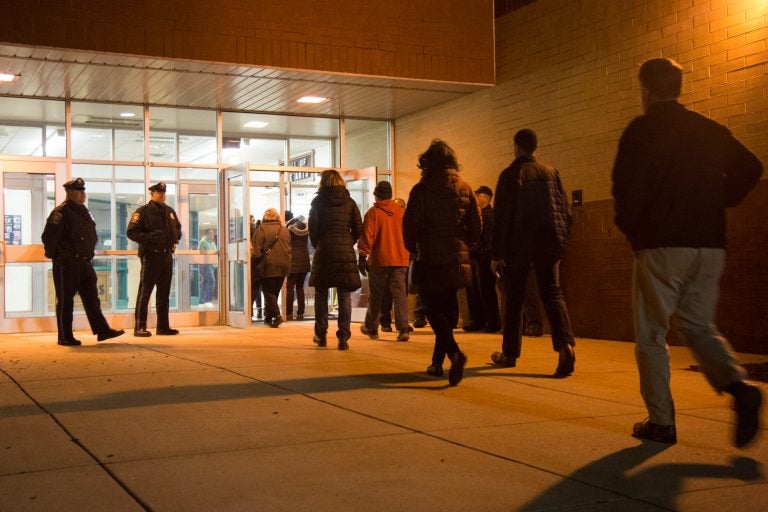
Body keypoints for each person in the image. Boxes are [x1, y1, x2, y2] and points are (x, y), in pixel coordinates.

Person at [611, 57, 763, 446]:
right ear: (678, 88)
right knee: (698, 326)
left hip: (661, 245)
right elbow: (751, 166)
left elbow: (624, 191)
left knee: (651, 335)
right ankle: (738, 387)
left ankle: (661, 421)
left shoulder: (641, 132)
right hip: (710, 244)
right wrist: (719, 201)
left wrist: (636, 234)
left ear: (645, 90)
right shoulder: (709, 130)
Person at [490, 128, 576, 377]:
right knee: (552, 292)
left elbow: (502, 217)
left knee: (514, 298)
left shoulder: (510, 174)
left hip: (519, 244)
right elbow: (564, 210)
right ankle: (565, 346)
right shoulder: (552, 173)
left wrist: (497, 254)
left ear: (516, 146)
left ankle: (510, 353)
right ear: (535, 147)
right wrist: (562, 238)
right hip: (549, 242)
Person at [403, 139, 481, 385]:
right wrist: (465, 245)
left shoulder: (421, 189)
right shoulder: (465, 188)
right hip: (457, 256)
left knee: (431, 309)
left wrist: (412, 247)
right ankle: (437, 363)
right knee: (447, 310)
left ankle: (455, 354)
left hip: (430, 255)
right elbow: (477, 225)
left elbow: (410, 225)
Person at [41, 178, 125, 346]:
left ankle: (102, 331)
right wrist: (61, 256)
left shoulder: (83, 211)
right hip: (68, 264)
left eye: (83, 191)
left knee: (92, 298)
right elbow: (49, 238)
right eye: (79, 191)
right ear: (70, 193)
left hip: (85, 263)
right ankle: (64, 336)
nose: (83, 194)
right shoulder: (60, 212)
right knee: (66, 301)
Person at [308, 169, 363, 350]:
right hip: (344, 251)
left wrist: (319, 243)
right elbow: (358, 228)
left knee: (321, 294)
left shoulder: (317, 202)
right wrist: (348, 242)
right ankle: (343, 337)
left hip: (324, 251)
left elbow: (313, 230)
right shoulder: (350, 202)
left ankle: (321, 334)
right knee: (344, 294)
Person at [358, 181, 411, 341]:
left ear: (376, 194)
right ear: (390, 194)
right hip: (400, 259)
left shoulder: (373, 213)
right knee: (400, 296)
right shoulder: (402, 212)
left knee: (376, 296)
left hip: (379, 260)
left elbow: (368, 236)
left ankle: (372, 327)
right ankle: (403, 329)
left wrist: (362, 255)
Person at [127, 181, 182, 337]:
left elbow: (178, 227)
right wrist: (150, 238)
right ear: (152, 194)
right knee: (145, 293)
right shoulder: (143, 212)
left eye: (164, 193)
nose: (162, 195)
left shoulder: (169, 211)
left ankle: (163, 327)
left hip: (166, 256)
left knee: (164, 294)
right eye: (159, 193)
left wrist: (176, 236)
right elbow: (132, 232)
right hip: (151, 255)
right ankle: (139, 327)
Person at [464, 185, 500, 333]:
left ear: (486, 197)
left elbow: (489, 237)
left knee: (486, 290)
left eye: (478, 195)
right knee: (473, 290)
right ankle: (477, 321)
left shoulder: (490, 215)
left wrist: (489, 253)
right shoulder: (476, 214)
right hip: (474, 256)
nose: (476, 198)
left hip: (484, 257)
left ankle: (491, 322)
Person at [251, 208, 291, 327]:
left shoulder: (261, 229)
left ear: (265, 217)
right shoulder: (284, 230)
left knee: (268, 291)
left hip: (268, 264)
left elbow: (257, 251)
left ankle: (277, 316)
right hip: (284, 264)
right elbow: (289, 247)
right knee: (274, 292)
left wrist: (255, 261)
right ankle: (268, 317)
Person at [285, 211, 311, 321]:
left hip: (293, 261)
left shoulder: (289, 230)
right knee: (300, 287)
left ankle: (288, 312)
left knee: (290, 287)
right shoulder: (306, 230)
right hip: (304, 260)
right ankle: (301, 313)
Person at [197, 228, 217, 306]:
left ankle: (202, 301)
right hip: (206, 264)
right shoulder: (203, 242)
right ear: (207, 234)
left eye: (213, 233)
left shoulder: (212, 242)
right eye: (211, 233)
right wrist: (202, 266)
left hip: (212, 264)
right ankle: (208, 300)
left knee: (205, 282)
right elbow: (201, 255)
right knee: (211, 281)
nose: (212, 235)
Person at [249, 215, 263, 319]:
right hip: (256, 263)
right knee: (257, 288)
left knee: (255, 288)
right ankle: (259, 310)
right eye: (252, 220)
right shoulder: (256, 232)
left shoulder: (252, 232)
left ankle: (252, 310)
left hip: (253, 263)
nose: (253, 222)